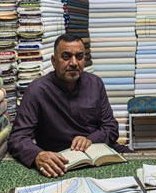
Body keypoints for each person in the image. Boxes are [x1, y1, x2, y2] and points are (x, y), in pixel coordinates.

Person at [8, 33, 130, 178]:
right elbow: (18, 138)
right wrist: (37, 155)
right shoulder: (36, 91)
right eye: (66, 56)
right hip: (61, 160)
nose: (73, 63)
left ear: (84, 60)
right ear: (54, 61)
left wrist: (91, 139)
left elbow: (111, 127)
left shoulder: (95, 84)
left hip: (99, 153)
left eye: (79, 57)